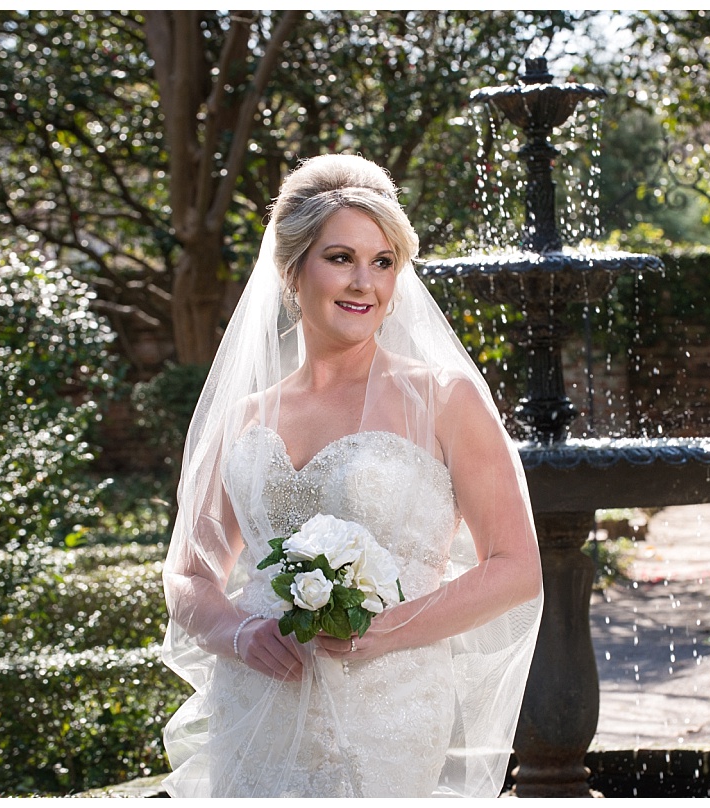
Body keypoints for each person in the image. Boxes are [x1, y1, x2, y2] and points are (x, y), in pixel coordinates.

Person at [160, 154, 544, 798]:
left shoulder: (444, 399)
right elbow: (189, 574)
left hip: (389, 706)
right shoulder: (243, 419)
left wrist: (385, 628)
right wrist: (239, 632)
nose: (364, 282)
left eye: (383, 261)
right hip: (256, 700)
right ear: (291, 268)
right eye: (340, 258)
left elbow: (515, 567)